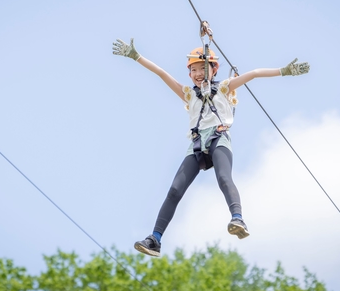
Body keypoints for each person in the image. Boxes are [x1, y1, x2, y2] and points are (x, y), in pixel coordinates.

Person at [112, 38, 310, 257]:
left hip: (219, 137)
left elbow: (253, 73)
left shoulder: (224, 88)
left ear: (213, 70)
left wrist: (284, 71)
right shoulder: (188, 94)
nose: (197, 74)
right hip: (197, 143)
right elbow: (161, 73)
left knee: (224, 178)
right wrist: (136, 56)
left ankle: (238, 218)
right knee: (174, 190)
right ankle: (155, 239)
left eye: (202, 69)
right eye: (193, 70)